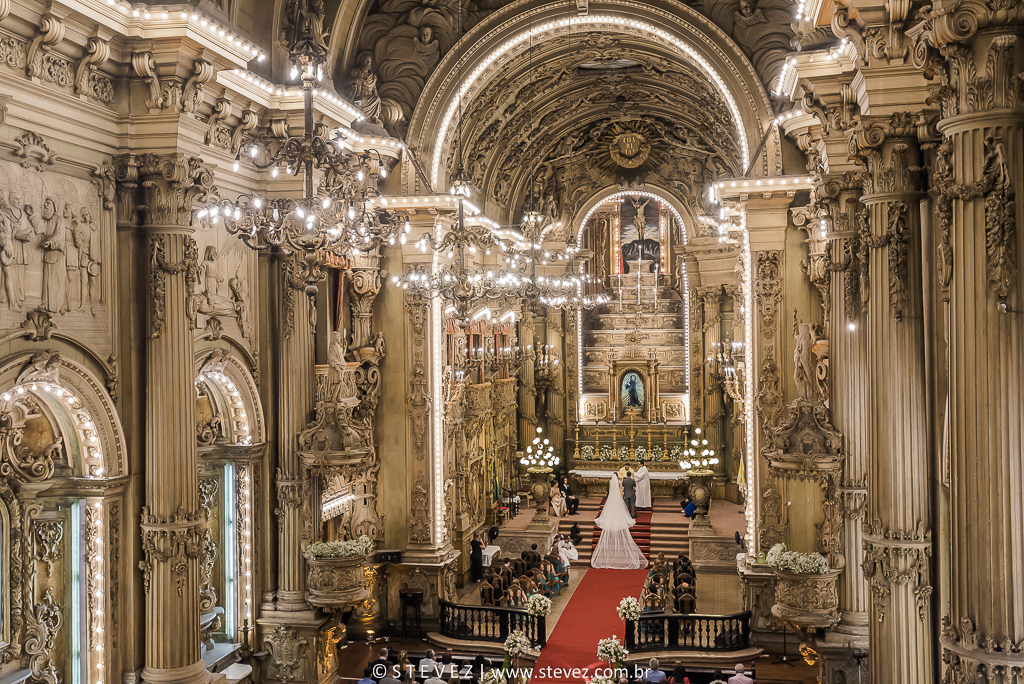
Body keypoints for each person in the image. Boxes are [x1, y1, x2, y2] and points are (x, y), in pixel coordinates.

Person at [591, 473, 648, 569]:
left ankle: (611, 516)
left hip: (611, 497)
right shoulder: (619, 481)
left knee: (610, 508)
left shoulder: (610, 481)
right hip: (617, 496)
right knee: (619, 508)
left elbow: (610, 489)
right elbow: (621, 488)